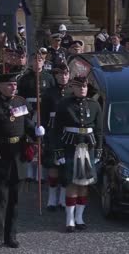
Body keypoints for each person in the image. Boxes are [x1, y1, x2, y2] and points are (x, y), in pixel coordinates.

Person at [0, 69, 45, 250]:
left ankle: (11, 236)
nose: (13, 87)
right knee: (1, 200)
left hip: (18, 156)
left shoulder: (20, 102)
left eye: (15, 84)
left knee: (14, 200)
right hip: (0, 154)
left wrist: (36, 131)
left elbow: (27, 125)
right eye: (9, 84)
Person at [51, 76, 103, 232]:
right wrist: (58, 151)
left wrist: (99, 150)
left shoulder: (94, 105)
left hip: (88, 147)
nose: (82, 89)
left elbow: (99, 131)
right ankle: (69, 219)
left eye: (85, 87)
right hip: (69, 147)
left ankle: (80, 218)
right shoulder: (64, 104)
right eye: (79, 87)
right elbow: (56, 130)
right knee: (71, 183)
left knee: (84, 185)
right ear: (72, 88)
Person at [17, 53, 55, 182]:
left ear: (44, 62)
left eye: (40, 60)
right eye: (35, 60)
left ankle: (40, 171)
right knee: (29, 139)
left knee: (41, 141)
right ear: (30, 62)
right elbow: (20, 97)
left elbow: (51, 96)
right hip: (29, 110)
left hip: (43, 110)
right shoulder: (24, 78)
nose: (37, 62)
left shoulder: (49, 77)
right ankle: (29, 170)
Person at [41, 63, 73, 211]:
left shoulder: (73, 91)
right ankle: (52, 197)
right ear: (56, 75)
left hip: (68, 131)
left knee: (66, 166)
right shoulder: (48, 93)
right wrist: (41, 129)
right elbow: (44, 114)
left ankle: (63, 197)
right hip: (53, 130)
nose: (63, 77)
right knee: (53, 165)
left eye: (66, 74)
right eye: (60, 74)